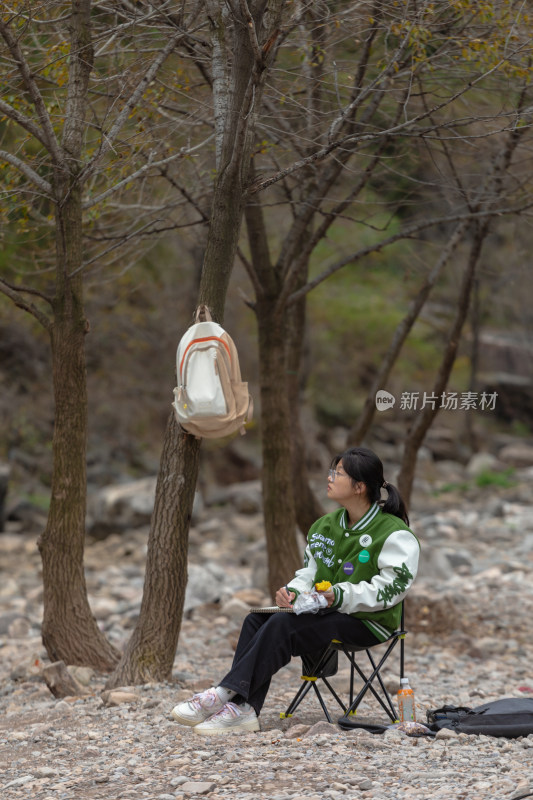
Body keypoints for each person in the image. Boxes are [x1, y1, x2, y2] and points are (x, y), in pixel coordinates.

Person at [171, 446, 420, 735]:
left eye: (337, 474)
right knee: (256, 619)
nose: (329, 478)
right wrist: (291, 591)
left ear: (359, 487)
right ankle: (244, 709)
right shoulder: (324, 526)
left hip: (369, 621)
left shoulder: (394, 533)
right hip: (326, 611)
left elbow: (393, 588)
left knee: (283, 624)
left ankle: (224, 693)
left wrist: (341, 595)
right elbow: (310, 573)